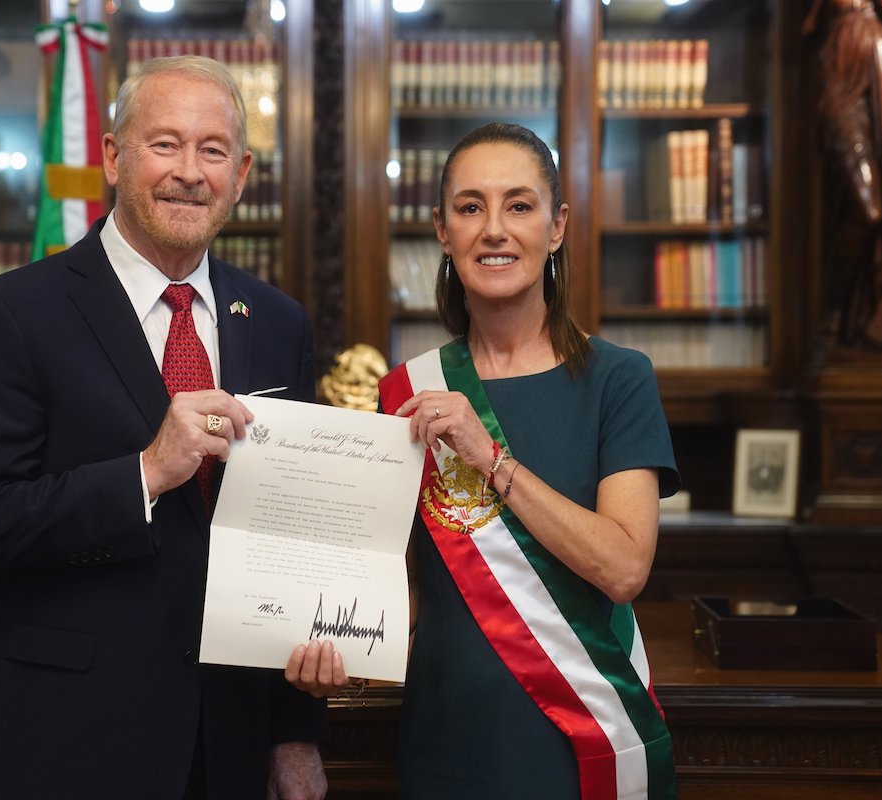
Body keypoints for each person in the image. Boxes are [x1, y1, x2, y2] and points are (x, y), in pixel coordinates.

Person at [0, 55, 326, 800]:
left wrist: (293, 731)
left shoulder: (277, 321)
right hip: (71, 741)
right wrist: (143, 474)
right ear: (113, 156)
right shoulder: (13, 313)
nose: (189, 173)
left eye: (213, 151)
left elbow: (289, 539)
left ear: (241, 174)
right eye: (165, 144)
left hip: (230, 745)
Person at [288, 123, 680, 799]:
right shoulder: (405, 393)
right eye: (471, 208)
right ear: (444, 231)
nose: (494, 229)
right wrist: (335, 641)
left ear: (556, 227)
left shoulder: (619, 379)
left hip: (580, 743)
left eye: (519, 205)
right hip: (446, 738)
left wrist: (491, 458)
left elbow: (623, 568)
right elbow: (405, 588)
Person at [803, 0, 882, 348]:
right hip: (841, 77)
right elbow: (804, 29)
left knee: (880, 211)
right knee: (868, 209)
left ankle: (853, 323)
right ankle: (830, 309)